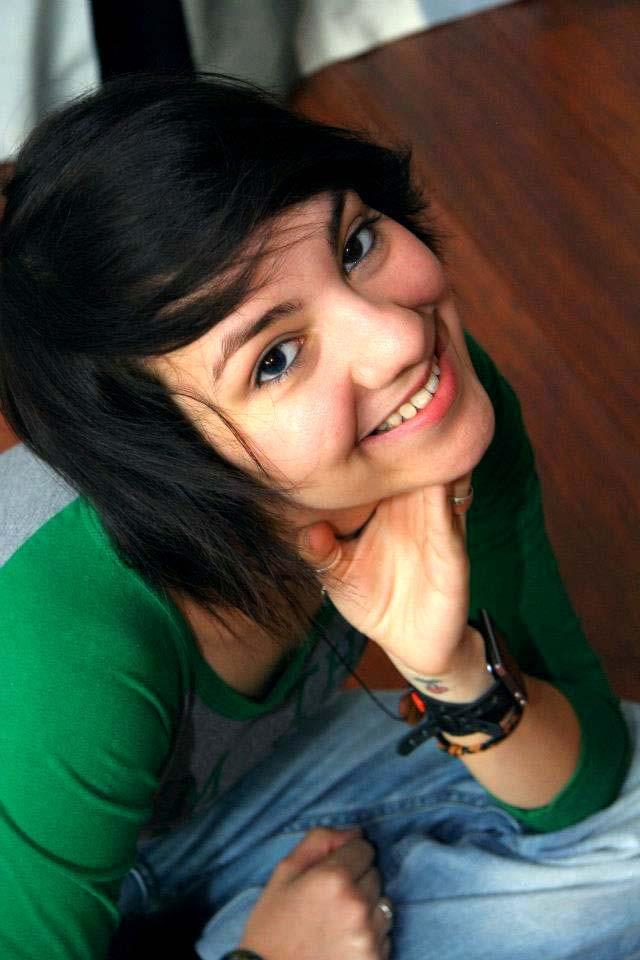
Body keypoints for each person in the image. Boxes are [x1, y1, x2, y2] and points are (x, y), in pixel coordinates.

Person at [0, 74, 638, 960]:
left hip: (215, 819)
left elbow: (589, 784)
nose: (399, 338)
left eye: (355, 243)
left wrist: (450, 668)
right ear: (174, 459)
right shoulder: (64, 634)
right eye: (276, 359)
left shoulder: (431, 412)